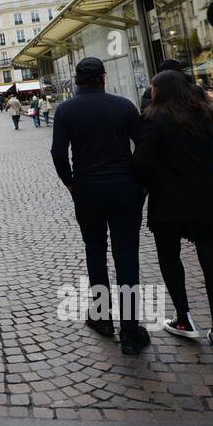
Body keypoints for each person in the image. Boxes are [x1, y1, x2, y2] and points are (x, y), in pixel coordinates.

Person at [136, 70, 213, 357]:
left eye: (153, 88)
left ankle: (184, 317)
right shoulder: (205, 115)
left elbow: (142, 162)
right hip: (207, 197)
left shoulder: (153, 118)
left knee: (169, 258)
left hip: (169, 200)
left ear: (160, 91)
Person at [51, 58, 149, 355]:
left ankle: (102, 317)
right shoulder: (124, 106)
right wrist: (141, 182)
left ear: (77, 80)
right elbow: (144, 144)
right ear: (103, 79)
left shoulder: (66, 110)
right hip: (124, 188)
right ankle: (130, 331)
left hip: (88, 190)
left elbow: (58, 152)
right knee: (127, 257)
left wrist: (70, 182)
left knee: (95, 251)